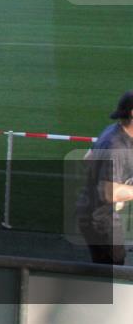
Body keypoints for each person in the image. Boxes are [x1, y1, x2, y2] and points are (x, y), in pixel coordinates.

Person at [76, 91, 133, 265]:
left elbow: (88, 158)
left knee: (106, 268)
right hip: (101, 220)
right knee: (113, 269)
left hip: (93, 214)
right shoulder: (116, 147)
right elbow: (110, 192)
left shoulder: (113, 130)